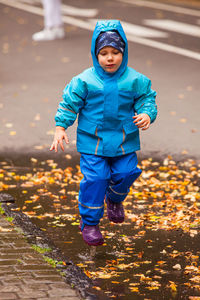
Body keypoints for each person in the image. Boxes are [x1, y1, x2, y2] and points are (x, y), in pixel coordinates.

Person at [50, 20, 157, 246]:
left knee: (127, 173)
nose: (110, 58)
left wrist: (147, 114)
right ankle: (89, 223)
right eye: (104, 53)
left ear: (123, 52)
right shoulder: (84, 80)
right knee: (97, 178)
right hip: (93, 143)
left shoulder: (135, 79)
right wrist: (60, 127)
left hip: (123, 141)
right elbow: (69, 104)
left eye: (115, 52)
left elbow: (147, 98)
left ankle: (115, 199)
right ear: (95, 54)